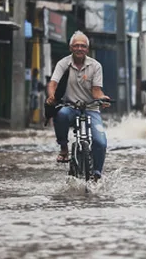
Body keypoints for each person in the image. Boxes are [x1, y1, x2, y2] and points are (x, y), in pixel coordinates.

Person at [46, 31, 111, 182]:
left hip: (91, 109)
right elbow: (53, 84)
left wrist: (102, 98)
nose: (79, 48)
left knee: (100, 141)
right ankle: (63, 148)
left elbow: (96, 91)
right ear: (71, 48)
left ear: (87, 49)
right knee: (60, 115)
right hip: (70, 107)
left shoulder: (95, 66)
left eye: (83, 46)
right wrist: (51, 96)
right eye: (76, 45)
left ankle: (96, 174)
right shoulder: (63, 63)